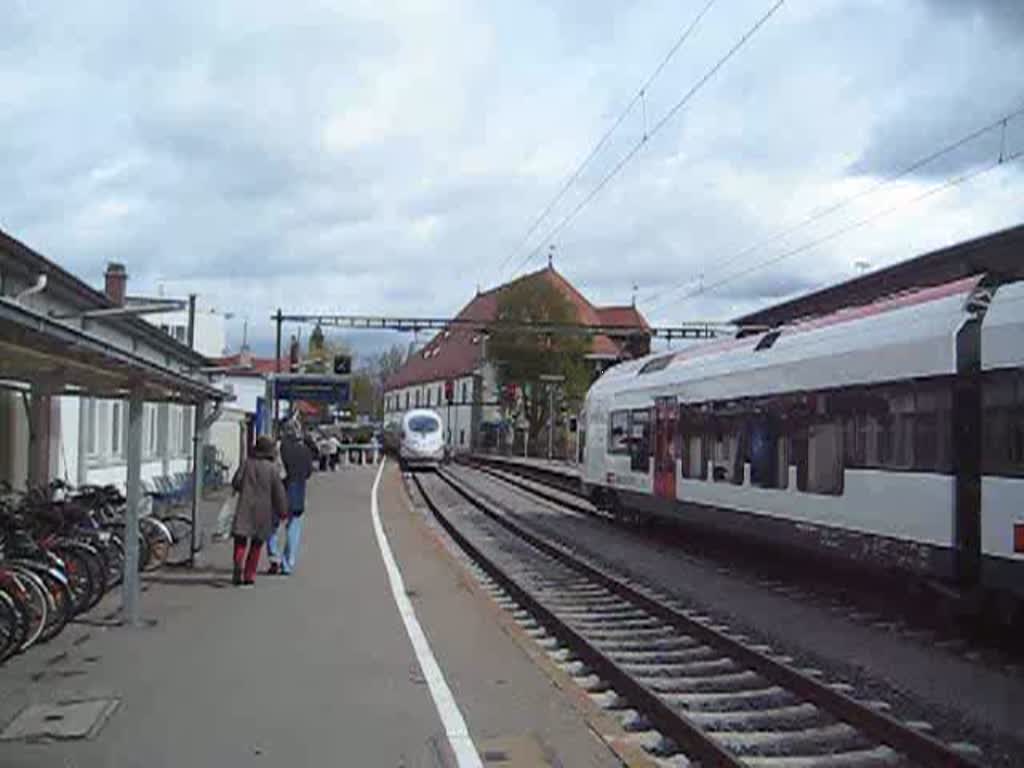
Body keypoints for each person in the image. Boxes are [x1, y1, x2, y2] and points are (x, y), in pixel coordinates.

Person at [231, 436, 287, 586]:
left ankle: (238, 564)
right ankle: (249, 575)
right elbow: (278, 493)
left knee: (240, 541)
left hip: (244, 506)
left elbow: (236, 482)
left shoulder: (247, 464)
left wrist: (243, 487)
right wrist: (282, 511)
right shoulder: (272, 469)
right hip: (263, 511)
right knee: (256, 545)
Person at [268, 424, 314, 575]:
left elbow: (272, 470)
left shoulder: (278, 449)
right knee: (293, 527)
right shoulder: (305, 450)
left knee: (272, 526)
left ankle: (274, 556)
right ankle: (288, 563)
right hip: (297, 493)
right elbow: (308, 473)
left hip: (278, 492)